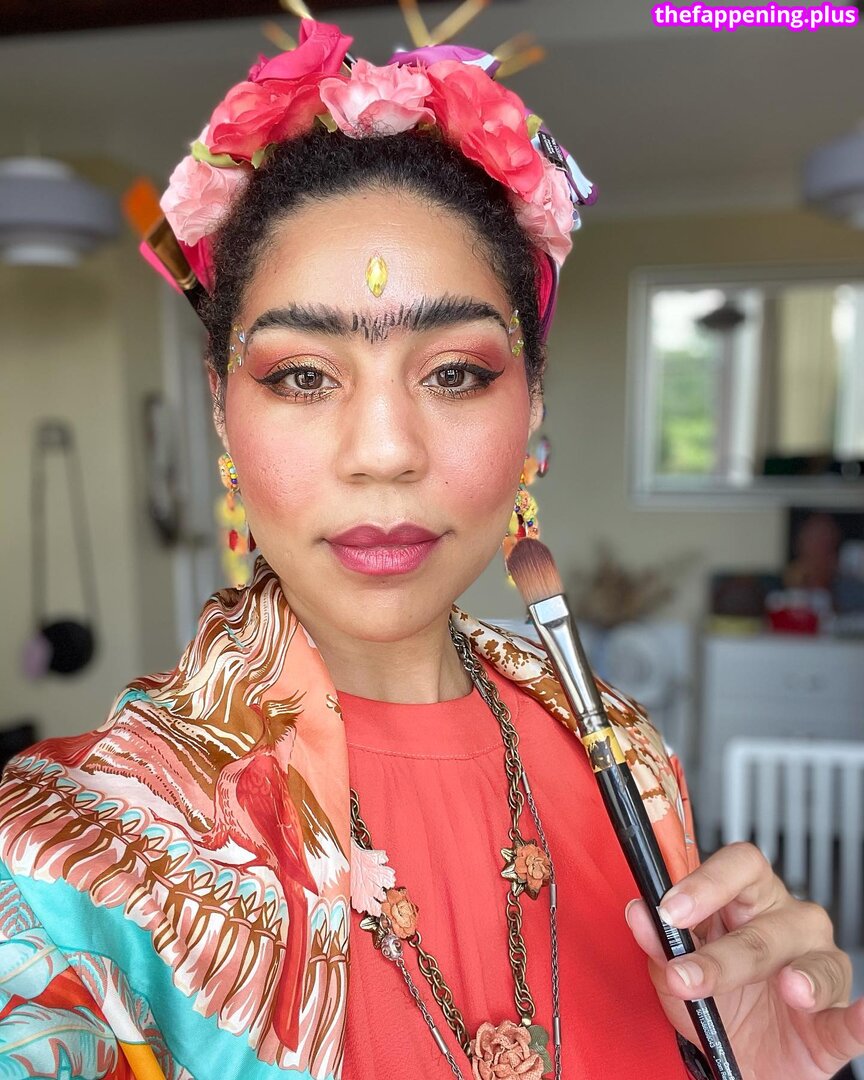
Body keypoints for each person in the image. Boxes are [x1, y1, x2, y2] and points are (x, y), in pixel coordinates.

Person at [1, 14, 862, 1080]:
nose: (384, 452)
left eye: (455, 373)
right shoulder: (69, 858)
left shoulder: (629, 762)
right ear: (222, 409)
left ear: (532, 404)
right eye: (302, 376)